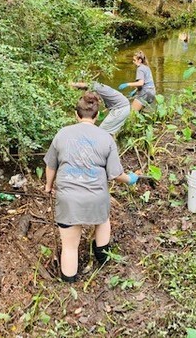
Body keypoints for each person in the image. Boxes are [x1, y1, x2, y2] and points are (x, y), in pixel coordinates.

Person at [43, 92, 139, 282]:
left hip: (69, 199)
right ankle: (102, 261)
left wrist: (48, 186)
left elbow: (51, 165)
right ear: (97, 116)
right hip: (96, 198)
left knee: (69, 247)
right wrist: (130, 179)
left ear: (76, 115)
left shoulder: (62, 134)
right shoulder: (106, 138)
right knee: (103, 220)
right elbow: (115, 174)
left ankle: (68, 286)